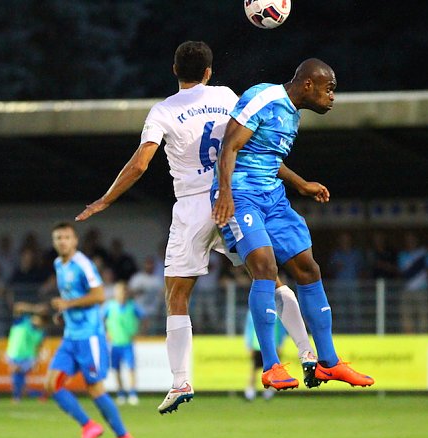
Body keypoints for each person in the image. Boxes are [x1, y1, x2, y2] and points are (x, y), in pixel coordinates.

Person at [76, 41, 318, 415]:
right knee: (270, 279)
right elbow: (250, 146)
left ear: (175, 70)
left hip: (192, 206)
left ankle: (181, 381)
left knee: (177, 295)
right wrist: (298, 182)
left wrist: (105, 200)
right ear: (208, 71)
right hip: (233, 195)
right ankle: (306, 353)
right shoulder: (225, 95)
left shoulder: (162, 111)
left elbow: (140, 165)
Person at [211, 58, 374, 391]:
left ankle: (328, 362)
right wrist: (225, 193)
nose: (333, 97)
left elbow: (267, 158)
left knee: (308, 269)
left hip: (273, 196)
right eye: (329, 90)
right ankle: (271, 365)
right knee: (265, 267)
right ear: (308, 84)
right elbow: (230, 145)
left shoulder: (292, 115)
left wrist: (300, 183)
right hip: (241, 194)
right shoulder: (264, 97)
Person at [45, 222, 136, 438]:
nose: (62, 241)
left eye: (66, 237)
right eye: (58, 238)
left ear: (75, 240)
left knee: (94, 388)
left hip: (90, 336)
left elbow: (98, 295)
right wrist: (64, 313)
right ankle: (89, 426)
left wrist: (68, 304)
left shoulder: (83, 265)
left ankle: (124, 437)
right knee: (52, 384)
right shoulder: (59, 264)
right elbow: (74, 297)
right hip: (71, 336)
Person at [103, 281, 144, 405]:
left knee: (131, 368)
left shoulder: (132, 306)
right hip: (115, 344)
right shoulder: (109, 306)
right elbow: (100, 319)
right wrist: (106, 332)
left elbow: (144, 317)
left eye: (122, 292)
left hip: (127, 343)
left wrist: (140, 331)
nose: (120, 294)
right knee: (116, 369)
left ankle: (132, 393)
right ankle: (120, 393)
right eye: (118, 292)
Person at [243, 310, 287, 401]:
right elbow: (249, 328)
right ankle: (251, 390)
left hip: (273, 345)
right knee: (254, 369)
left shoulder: (277, 311)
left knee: (272, 369)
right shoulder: (253, 311)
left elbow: (281, 328)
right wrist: (248, 344)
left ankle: (269, 390)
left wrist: (280, 343)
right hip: (257, 345)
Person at [5, 307, 46, 403]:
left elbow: (38, 347)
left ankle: (17, 397)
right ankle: (38, 394)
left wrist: (36, 360)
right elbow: (17, 307)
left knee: (17, 374)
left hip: (28, 357)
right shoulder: (22, 321)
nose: (36, 321)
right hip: (13, 353)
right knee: (19, 379)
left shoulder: (40, 332)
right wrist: (34, 309)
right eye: (35, 318)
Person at [398, 231, 428, 333]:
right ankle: (409, 337)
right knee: (406, 315)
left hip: (422, 289)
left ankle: (423, 335)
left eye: (412, 239)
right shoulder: (402, 255)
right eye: (408, 240)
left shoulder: (424, 252)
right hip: (407, 289)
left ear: (416, 240)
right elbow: (401, 271)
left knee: (424, 315)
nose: (411, 242)